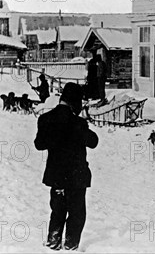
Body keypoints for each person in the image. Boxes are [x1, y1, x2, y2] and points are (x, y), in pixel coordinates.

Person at [34, 83, 99, 251]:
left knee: (57, 211)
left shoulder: (45, 119)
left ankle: (53, 242)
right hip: (76, 177)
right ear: (75, 102)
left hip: (57, 177)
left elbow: (39, 144)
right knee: (76, 214)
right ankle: (71, 245)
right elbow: (93, 142)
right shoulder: (78, 123)